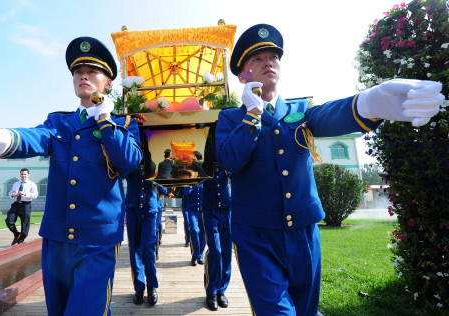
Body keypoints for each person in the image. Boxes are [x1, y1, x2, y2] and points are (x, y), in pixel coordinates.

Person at [215, 23, 444, 316]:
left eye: (273, 57)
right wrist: (252, 115)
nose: (267, 62)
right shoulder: (230, 118)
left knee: (306, 309)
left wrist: (364, 104)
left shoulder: (299, 110)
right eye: (256, 59)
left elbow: (326, 116)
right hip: (255, 234)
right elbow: (230, 161)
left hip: (303, 229)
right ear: (242, 75)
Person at [0, 36, 142, 316]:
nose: (83, 76)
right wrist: (1, 138)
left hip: (97, 238)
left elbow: (128, 161)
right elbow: (36, 137)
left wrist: (105, 121)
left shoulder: (124, 123)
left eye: (92, 71)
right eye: (78, 72)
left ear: (107, 83)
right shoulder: (59, 122)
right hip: (56, 237)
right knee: (57, 310)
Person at [125, 164, 164, 306]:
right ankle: (139, 288)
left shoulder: (155, 158)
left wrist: (156, 180)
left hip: (150, 209)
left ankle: (151, 287)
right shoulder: (131, 154)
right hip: (132, 207)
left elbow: (164, 186)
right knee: (134, 250)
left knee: (148, 249)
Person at [202, 163, 231, 311]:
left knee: (226, 251)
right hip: (209, 209)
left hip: (226, 209)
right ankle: (211, 291)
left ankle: (222, 290)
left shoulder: (227, 157)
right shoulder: (203, 162)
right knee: (215, 251)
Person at [6, 168, 38, 245]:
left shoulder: (32, 184)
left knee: (25, 223)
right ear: (20, 174)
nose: (23, 175)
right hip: (16, 204)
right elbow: (10, 193)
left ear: (28, 175)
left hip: (25, 205)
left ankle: (21, 239)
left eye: (25, 174)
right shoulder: (16, 184)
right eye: (22, 174)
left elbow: (35, 195)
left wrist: (25, 194)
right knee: (9, 221)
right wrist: (13, 194)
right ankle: (17, 234)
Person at [183, 183, 206, 266]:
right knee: (194, 230)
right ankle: (195, 254)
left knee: (203, 233)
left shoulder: (205, 182)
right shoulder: (190, 183)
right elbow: (186, 193)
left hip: (204, 211)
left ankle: (200, 255)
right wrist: (191, 185)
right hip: (192, 211)